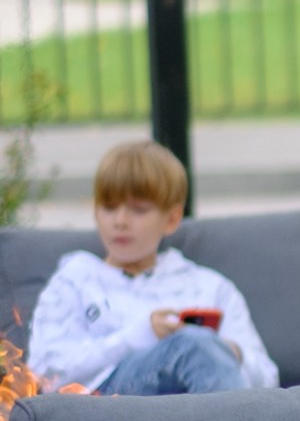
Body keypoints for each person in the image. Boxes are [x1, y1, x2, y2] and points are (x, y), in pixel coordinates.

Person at [28, 141, 278, 395]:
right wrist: (140, 335)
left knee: (198, 347)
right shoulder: (75, 279)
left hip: (194, 411)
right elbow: (44, 373)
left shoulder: (210, 286)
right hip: (108, 404)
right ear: (95, 212)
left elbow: (268, 380)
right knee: (192, 347)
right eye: (109, 207)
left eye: (138, 210)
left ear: (171, 219)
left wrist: (230, 353)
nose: (120, 221)